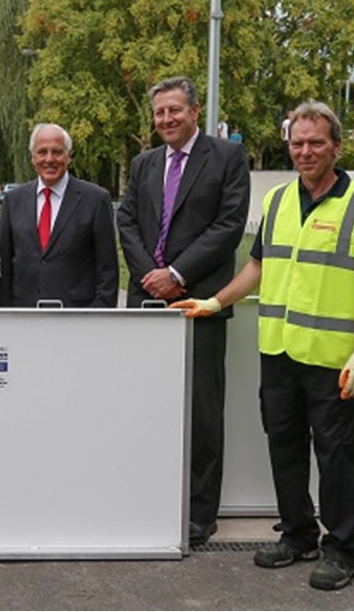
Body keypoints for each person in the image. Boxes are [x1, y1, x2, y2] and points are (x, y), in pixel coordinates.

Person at [170, 100, 354, 591]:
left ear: (336, 146)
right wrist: (212, 301)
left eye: (316, 142)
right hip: (280, 354)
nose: (305, 151)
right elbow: (257, 268)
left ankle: (343, 548)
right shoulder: (277, 203)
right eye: (297, 143)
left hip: (335, 361)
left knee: (336, 456)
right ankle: (297, 534)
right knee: (284, 447)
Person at [116, 76, 250, 547]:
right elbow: (127, 220)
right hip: (148, 304)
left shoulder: (228, 157)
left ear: (194, 110)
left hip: (201, 303)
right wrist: (151, 275)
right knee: (148, 405)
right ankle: (150, 496)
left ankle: (199, 513)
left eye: (175, 110)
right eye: (159, 113)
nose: (167, 119)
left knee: (202, 411)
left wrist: (177, 273)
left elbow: (230, 225)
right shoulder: (143, 163)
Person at [0, 123, 118, 308]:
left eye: (57, 152)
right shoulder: (13, 200)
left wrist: (96, 319)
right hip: (24, 316)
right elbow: (4, 266)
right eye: (42, 152)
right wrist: (5, 318)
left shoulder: (96, 200)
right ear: (32, 157)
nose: (49, 159)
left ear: (69, 157)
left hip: (77, 317)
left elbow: (107, 270)